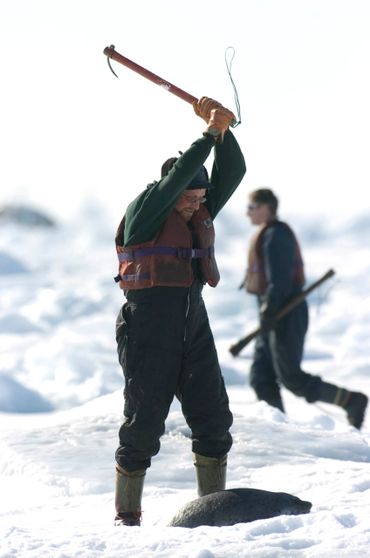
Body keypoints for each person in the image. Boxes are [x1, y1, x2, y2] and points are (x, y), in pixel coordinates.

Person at [113, 97, 246, 526]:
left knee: (214, 419)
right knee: (143, 424)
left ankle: (214, 512)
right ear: (173, 188)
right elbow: (176, 184)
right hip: (150, 325)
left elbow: (236, 171)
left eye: (200, 197)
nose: (195, 204)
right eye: (189, 196)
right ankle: (127, 518)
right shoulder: (148, 209)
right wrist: (206, 134)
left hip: (193, 320)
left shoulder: (199, 209)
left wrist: (223, 133)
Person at [241, 188, 368, 429]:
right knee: (261, 376)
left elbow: (280, 281)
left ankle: (352, 401)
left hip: (285, 313)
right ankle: (280, 430)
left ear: (265, 207)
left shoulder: (276, 236)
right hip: (273, 313)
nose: (247, 213)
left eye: (251, 207)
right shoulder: (267, 234)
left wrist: (270, 311)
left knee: (291, 378)